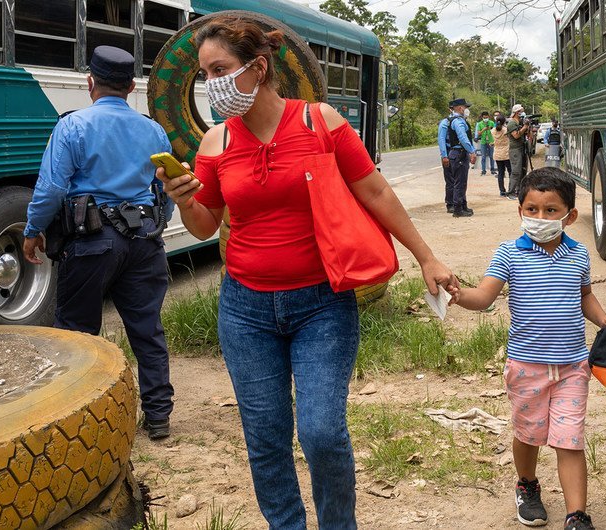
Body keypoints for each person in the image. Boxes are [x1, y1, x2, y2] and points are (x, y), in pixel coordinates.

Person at [156, 15, 458, 529]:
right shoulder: (215, 145)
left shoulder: (321, 122)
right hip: (245, 310)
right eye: (205, 74)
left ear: (258, 66)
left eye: (221, 69)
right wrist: (183, 200)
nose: (212, 85)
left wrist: (425, 255)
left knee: (321, 432)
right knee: (266, 436)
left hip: (322, 303)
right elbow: (206, 225)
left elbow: (376, 192)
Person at [21, 46, 176, 441]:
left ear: (90, 82)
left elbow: (52, 188)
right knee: (147, 330)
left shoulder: (73, 126)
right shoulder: (153, 130)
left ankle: (81, 422)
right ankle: (158, 417)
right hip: (143, 239)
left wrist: (32, 230)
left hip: (91, 241)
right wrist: (158, 224)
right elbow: (168, 186)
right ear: (130, 87)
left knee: (76, 332)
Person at [450, 167, 606, 530]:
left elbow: (585, 296)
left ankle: (577, 515)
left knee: (569, 439)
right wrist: (460, 295)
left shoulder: (579, 255)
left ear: (570, 216)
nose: (540, 218)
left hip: (573, 366)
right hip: (527, 367)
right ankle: (527, 485)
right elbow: (484, 296)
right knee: (529, 435)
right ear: (520, 210)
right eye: (531, 209)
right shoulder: (509, 253)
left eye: (551, 210)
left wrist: (604, 320)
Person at [437, 98, 478, 217]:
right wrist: (472, 151)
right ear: (460, 108)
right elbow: (462, 138)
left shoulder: (451, 121)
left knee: (457, 181)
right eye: (465, 108)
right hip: (456, 153)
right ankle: (456, 208)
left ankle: (461, 205)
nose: (466, 110)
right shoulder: (454, 122)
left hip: (453, 154)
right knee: (457, 182)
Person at [506, 103, 530, 197]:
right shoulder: (512, 123)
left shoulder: (519, 122)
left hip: (522, 148)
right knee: (516, 171)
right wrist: (524, 127)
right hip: (515, 149)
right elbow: (516, 135)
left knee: (522, 170)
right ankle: (511, 192)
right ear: (516, 112)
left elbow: (526, 134)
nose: (522, 113)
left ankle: (519, 190)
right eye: (521, 111)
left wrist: (527, 127)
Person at [492, 113, 512, 197]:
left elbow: (492, 141)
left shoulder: (492, 130)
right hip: (506, 153)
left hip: (497, 153)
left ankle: (502, 191)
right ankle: (511, 189)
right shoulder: (506, 130)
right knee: (510, 172)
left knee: (500, 172)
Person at [475, 110, 495, 175]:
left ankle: (492, 170)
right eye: (484, 117)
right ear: (482, 117)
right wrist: (484, 129)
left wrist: (490, 128)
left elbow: (495, 131)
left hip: (491, 141)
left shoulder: (492, 122)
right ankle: (483, 170)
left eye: (486, 117)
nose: (485, 118)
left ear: (488, 117)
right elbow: (478, 133)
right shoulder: (480, 124)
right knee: (483, 156)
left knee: (492, 156)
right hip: (483, 141)